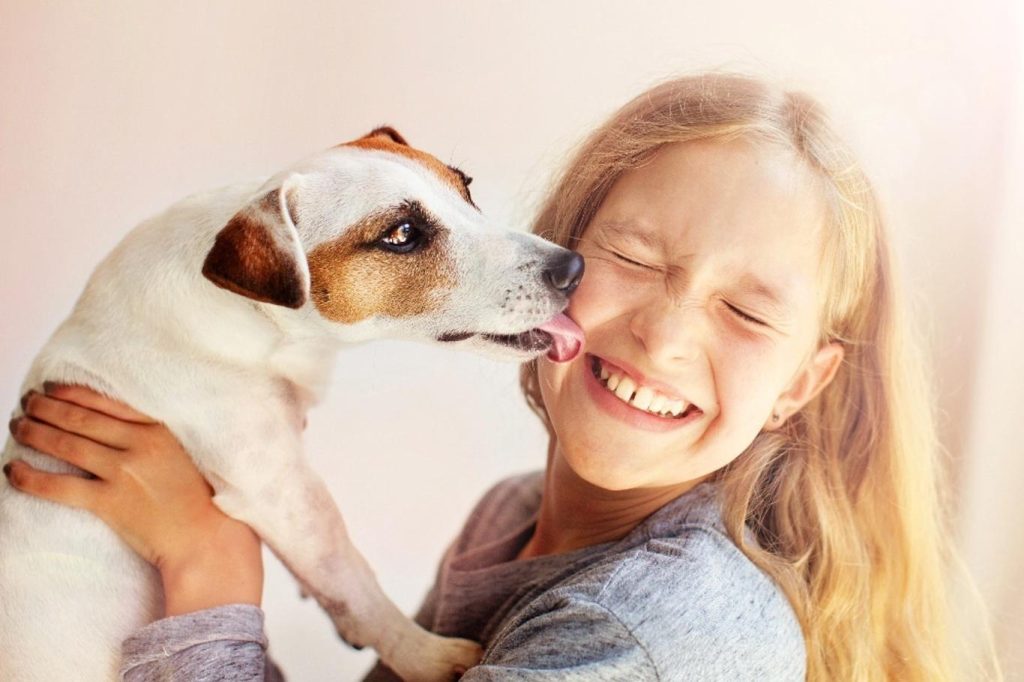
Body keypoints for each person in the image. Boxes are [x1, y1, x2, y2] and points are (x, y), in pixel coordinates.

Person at [4, 72, 981, 681]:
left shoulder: (645, 635)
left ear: (801, 385)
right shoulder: (513, 517)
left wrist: (209, 564)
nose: (665, 336)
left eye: (747, 312)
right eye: (634, 256)